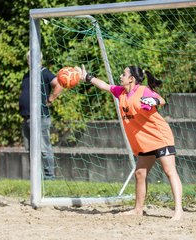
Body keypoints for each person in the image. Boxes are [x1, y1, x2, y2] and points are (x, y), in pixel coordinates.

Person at [75, 65, 183, 220]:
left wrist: (153, 100)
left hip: (159, 137)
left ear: (131, 78)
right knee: (140, 173)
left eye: (123, 74)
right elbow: (105, 85)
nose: (120, 76)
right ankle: (138, 209)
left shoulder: (142, 90)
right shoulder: (121, 92)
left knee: (169, 171)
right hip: (144, 141)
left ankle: (178, 210)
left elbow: (162, 100)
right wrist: (87, 78)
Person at [19, 51, 63, 180]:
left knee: (44, 148)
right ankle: (36, 177)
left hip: (40, 117)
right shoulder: (27, 75)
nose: (30, 60)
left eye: (33, 58)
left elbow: (59, 85)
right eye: (29, 58)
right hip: (27, 118)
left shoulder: (44, 72)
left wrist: (51, 99)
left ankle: (49, 176)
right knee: (31, 149)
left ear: (40, 60)